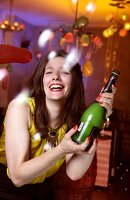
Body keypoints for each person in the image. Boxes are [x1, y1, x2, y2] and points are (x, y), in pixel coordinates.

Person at [0, 49, 116, 200]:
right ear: (41, 81)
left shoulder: (76, 118)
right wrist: (61, 149)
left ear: (75, 81)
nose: (55, 77)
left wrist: (96, 125)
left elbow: (74, 173)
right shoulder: (20, 108)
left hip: (44, 189)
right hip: (6, 189)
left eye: (65, 72)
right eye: (48, 72)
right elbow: (17, 177)